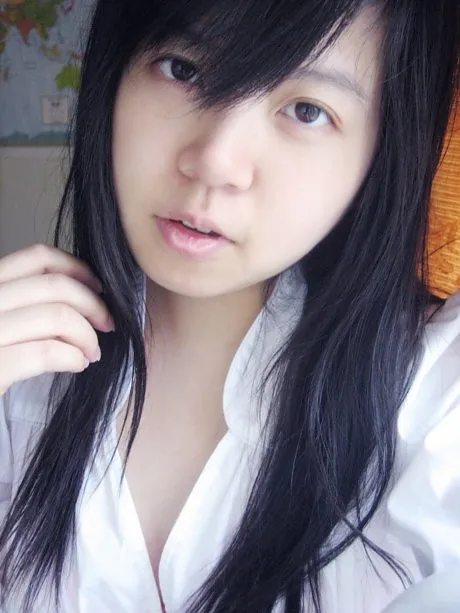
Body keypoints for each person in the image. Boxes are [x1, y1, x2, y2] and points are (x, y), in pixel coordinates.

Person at [0, 0, 458, 611]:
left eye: (307, 110)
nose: (215, 161)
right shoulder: (21, 378)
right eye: (182, 69)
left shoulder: (436, 402)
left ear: (383, 149)